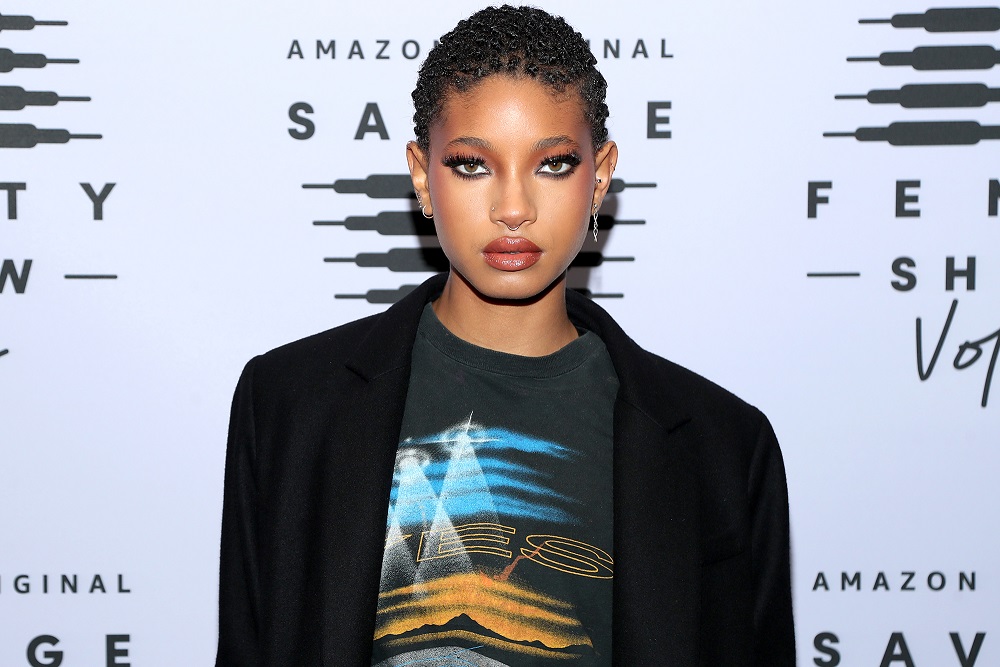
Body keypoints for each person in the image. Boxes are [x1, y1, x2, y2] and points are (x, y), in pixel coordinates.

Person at [216, 5, 794, 666]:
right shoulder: (288, 404)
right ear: (421, 175)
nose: (513, 208)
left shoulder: (722, 447)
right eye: (472, 165)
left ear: (601, 175)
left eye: (554, 164)